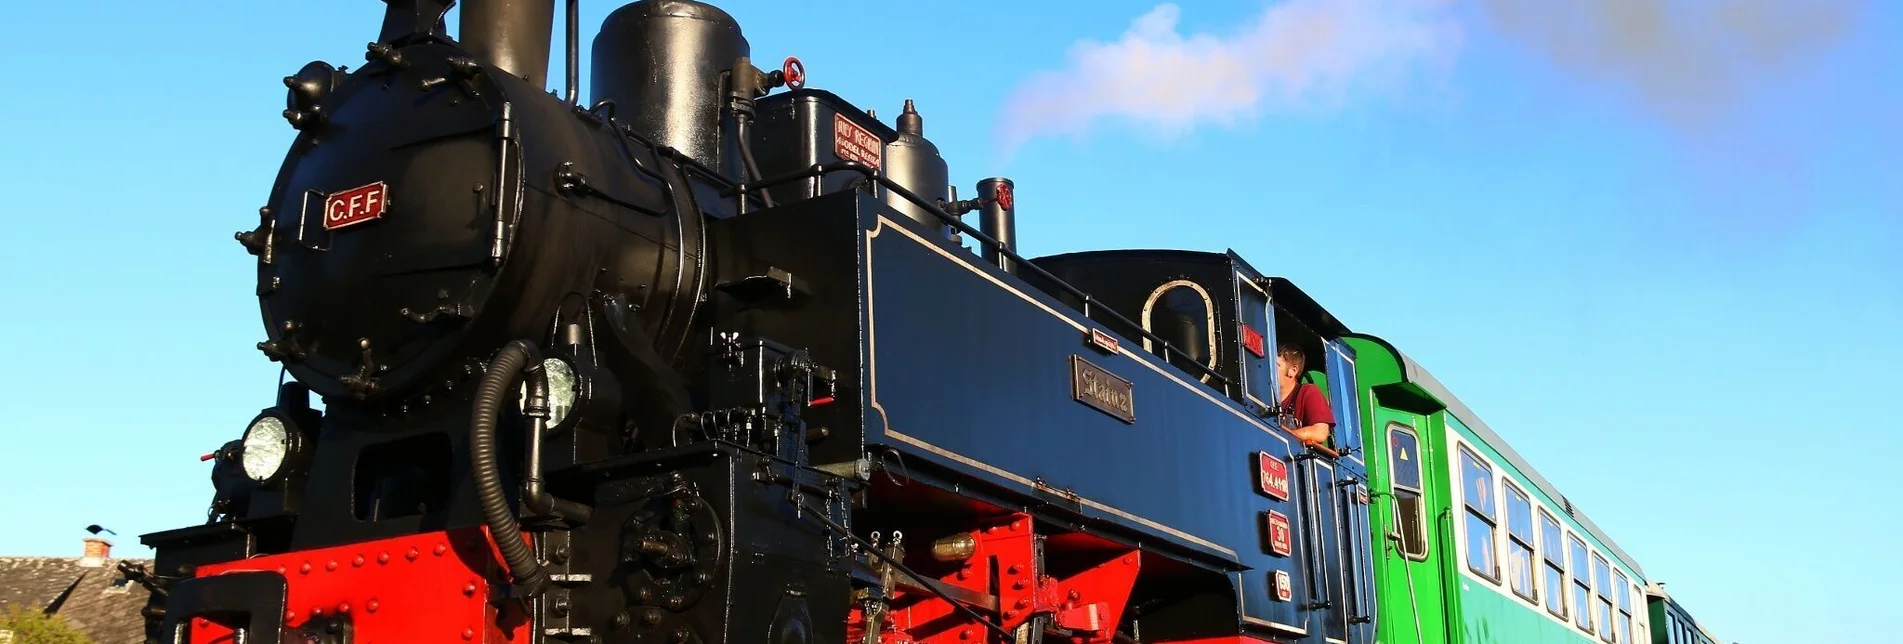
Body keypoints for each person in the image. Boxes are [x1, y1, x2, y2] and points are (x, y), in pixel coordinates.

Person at [1275, 341, 1334, 446]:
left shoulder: (1308, 392)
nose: (1270, 369)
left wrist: (1282, 437)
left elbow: (1320, 432)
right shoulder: (1267, 398)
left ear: (1292, 371)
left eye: (1276, 365)